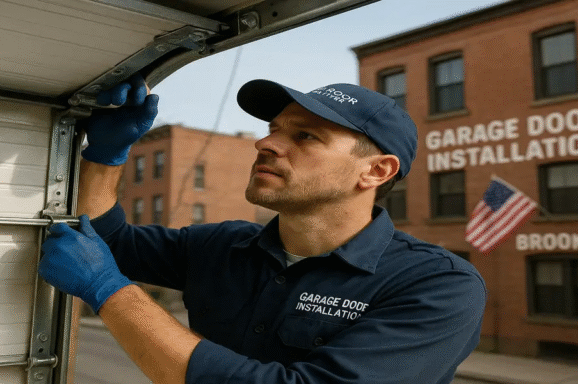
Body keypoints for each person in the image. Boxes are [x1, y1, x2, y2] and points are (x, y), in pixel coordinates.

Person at [39, 75, 486, 384]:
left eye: (305, 136)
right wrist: (106, 155)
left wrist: (111, 292)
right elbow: (105, 241)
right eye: (274, 129)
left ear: (376, 171)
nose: (266, 142)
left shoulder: (438, 286)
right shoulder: (221, 245)